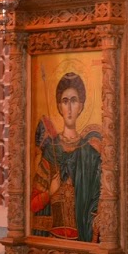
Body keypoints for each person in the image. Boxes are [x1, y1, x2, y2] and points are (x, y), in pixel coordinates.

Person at [30, 72, 104, 242]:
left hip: (81, 241)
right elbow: (33, 204)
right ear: (59, 107)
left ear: (81, 106)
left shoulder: (91, 156)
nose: (69, 108)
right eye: (65, 101)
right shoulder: (50, 152)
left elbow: (99, 205)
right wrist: (50, 192)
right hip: (52, 241)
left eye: (74, 101)